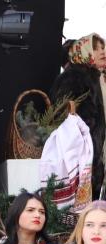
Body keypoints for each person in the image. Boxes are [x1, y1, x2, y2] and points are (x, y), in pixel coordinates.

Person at [51, 34, 106, 200]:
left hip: (97, 159)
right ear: (84, 50)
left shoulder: (98, 78)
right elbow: (62, 117)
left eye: (103, 47)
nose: (102, 52)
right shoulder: (73, 78)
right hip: (81, 161)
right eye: (96, 48)